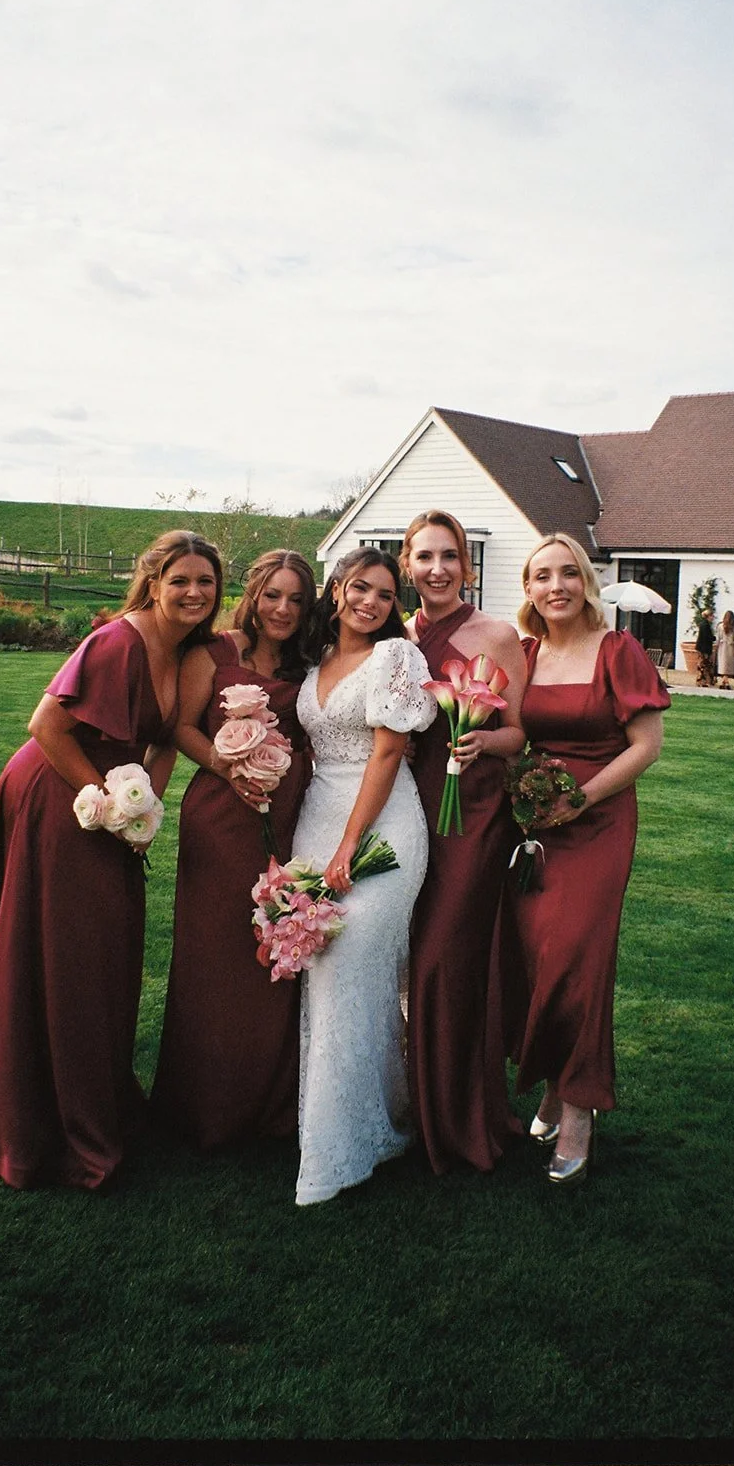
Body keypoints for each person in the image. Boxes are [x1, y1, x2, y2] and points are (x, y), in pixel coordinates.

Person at [0, 531, 223, 1190]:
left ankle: (95, 1100)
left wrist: (146, 810)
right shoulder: (118, 641)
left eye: (205, 581)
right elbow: (45, 726)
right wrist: (106, 803)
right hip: (55, 791)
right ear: (153, 582)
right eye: (180, 580)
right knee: (67, 948)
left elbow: (164, 740)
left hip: (107, 798)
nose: (194, 592)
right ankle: (41, 1120)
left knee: (104, 947)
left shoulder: (190, 651)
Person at [498, 534, 668, 1186]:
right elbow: (515, 735)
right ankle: (551, 1088)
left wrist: (581, 798)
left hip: (598, 826)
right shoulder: (529, 653)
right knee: (540, 962)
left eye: (569, 573)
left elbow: (646, 746)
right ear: (530, 587)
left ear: (586, 582)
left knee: (577, 963)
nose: (556, 585)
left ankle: (579, 1113)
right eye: (543, 575)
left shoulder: (616, 650)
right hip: (538, 831)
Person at [150, 551, 317, 1151]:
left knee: (276, 949)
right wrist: (227, 765)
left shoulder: (310, 662)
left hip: (290, 815)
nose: (283, 609)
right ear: (253, 593)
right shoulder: (214, 652)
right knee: (215, 953)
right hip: (221, 816)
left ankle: (271, 1104)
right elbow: (182, 726)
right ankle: (204, 1107)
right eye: (273, 595)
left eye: (297, 599)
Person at [291, 548, 436, 1205]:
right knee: (325, 973)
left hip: (382, 829)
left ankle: (339, 1153)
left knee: (349, 965)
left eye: (383, 593)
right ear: (337, 588)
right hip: (317, 822)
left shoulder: (395, 659)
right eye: (359, 587)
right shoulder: (317, 658)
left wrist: (350, 845)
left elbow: (388, 751)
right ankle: (374, 1121)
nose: (370, 602)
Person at [401, 510, 526, 1175]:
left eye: (449, 556)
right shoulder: (397, 638)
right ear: (407, 565)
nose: (438, 569)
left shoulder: (496, 635)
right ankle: (415, 1104)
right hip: (406, 808)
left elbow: (520, 734)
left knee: (445, 963)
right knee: (408, 955)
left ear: (467, 566)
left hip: (470, 815)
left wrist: (484, 738)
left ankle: (455, 1117)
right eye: (425, 557)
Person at [713, 610, 734, 689]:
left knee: (723, 665)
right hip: (731, 648)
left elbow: (718, 639)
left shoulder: (720, 626)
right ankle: (726, 682)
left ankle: (724, 681)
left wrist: (716, 648)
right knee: (728, 666)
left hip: (722, 647)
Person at [694, 608, 716, 686]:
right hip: (704, 649)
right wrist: (714, 638)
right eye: (712, 616)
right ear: (708, 616)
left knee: (704, 665)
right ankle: (702, 681)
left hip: (701, 647)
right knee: (703, 665)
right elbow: (707, 637)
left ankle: (704, 680)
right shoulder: (705, 625)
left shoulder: (703, 624)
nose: (713, 618)